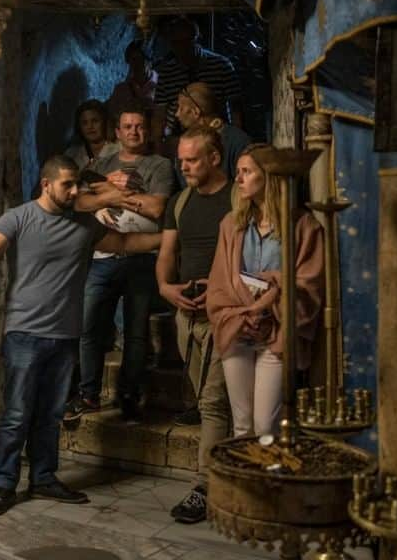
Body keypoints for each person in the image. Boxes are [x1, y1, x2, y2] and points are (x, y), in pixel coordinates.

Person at [0, 155, 161, 518]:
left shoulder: (85, 225)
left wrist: (174, 236)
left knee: (50, 414)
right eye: (68, 184)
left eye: (77, 183)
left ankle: (44, 478)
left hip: (65, 337)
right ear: (47, 185)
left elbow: (124, 244)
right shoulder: (19, 217)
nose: (75, 190)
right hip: (25, 334)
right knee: (16, 414)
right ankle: (4, 483)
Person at [206, 144, 325, 438]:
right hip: (238, 330)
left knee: (265, 426)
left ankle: (270, 481)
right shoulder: (231, 225)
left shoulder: (303, 225)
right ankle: (244, 484)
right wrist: (243, 313)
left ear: (268, 177)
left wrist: (270, 296)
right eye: (238, 172)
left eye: (246, 172)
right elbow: (220, 282)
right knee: (242, 425)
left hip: (276, 334)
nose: (238, 179)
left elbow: (308, 283)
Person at [69, 105, 176, 421]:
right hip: (101, 258)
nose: (133, 132)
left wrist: (112, 191)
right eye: (127, 126)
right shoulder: (101, 162)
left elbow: (157, 209)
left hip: (141, 258)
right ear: (117, 132)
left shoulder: (160, 165)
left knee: (136, 331)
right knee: (88, 327)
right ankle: (88, 394)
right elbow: (78, 201)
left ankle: (129, 393)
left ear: (147, 131)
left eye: (139, 126)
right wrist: (113, 198)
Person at [154, 125, 234, 524]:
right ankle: (231, 474)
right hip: (187, 315)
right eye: (181, 159)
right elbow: (167, 252)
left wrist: (222, 293)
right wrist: (166, 288)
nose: (183, 166)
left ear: (214, 158)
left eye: (192, 160)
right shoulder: (180, 202)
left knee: (214, 403)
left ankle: (205, 488)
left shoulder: (239, 197)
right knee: (211, 401)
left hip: (228, 316)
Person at [152, 16, 244, 128]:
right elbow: (160, 112)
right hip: (182, 136)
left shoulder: (221, 65)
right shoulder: (167, 73)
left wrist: (234, 137)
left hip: (216, 133)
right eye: (177, 43)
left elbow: (236, 107)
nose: (182, 48)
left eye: (186, 41)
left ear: (196, 39)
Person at [175, 81, 252, 182]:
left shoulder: (237, 141)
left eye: (181, 108)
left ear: (195, 112)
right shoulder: (186, 146)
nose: (176, 114)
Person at [106, 40, 156, 125]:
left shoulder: (161, 84)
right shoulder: (121, 90)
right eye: (133, 59)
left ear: (147, 59)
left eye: (140, 58)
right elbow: (111, 114)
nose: (137, 63)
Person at [63, 99, 119, 170]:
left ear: (105, 122)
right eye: (84, 123)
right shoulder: (71, 154)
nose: (90, 127)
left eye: (95, 121)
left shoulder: (119, 149)